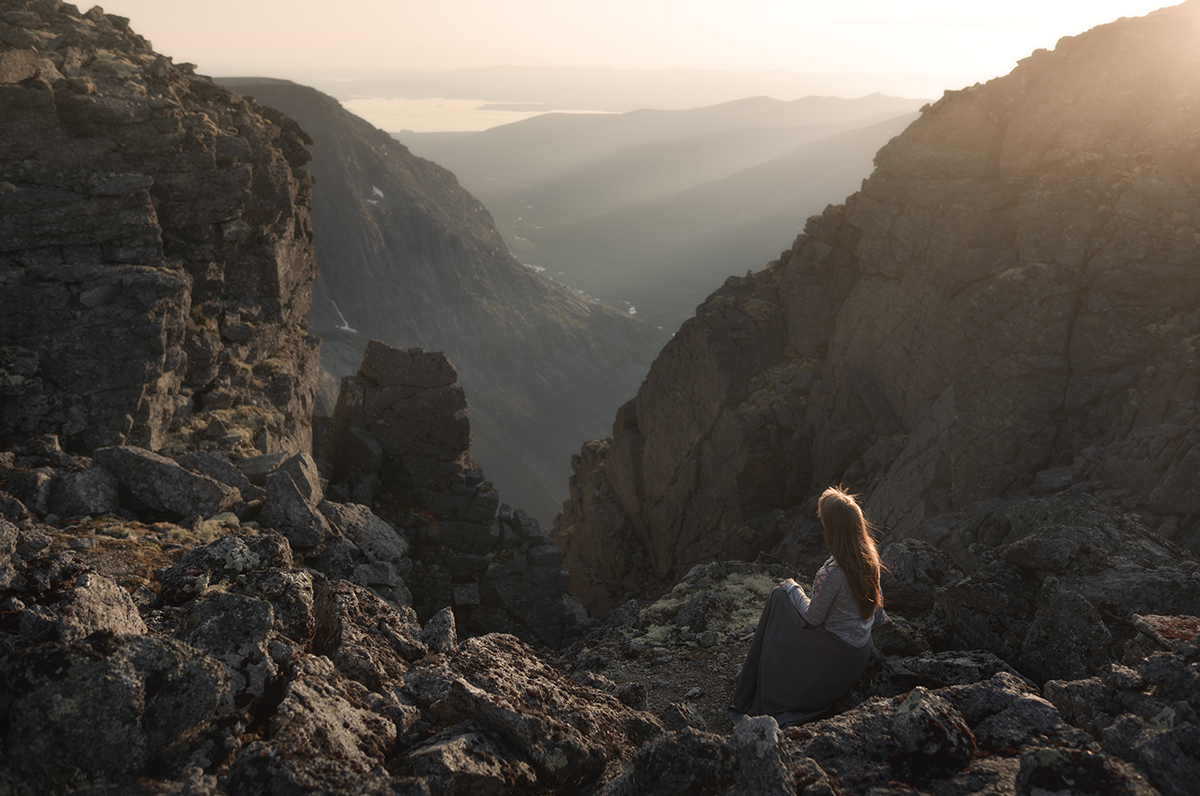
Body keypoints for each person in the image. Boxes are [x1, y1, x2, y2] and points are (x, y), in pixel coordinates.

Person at [730, 486, 885, 726]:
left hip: (835, 655)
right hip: (859, 652)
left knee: (779, 596)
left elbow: (813, 619)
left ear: (831, 528)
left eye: (824, 521)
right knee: (785, 598)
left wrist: (793, 588)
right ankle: (759, 674)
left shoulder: (831, 573)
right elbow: (877, 607)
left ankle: (758, 682)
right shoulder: (870, 556)